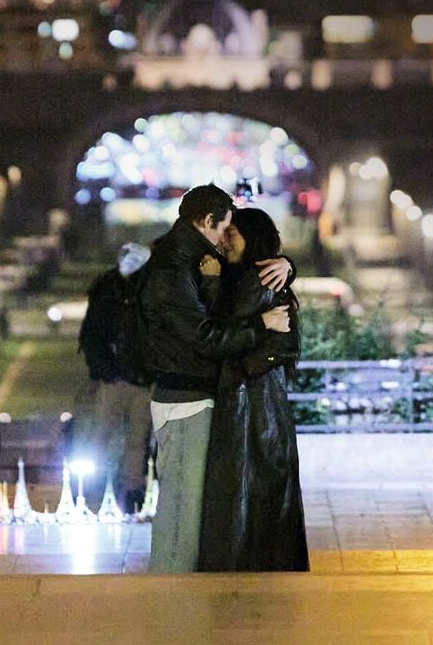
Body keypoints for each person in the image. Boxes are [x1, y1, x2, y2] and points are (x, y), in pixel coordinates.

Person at [140, 183, 292, 574]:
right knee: (181, 510)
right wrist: (262, 325)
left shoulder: (190, 259)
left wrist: (286, 262)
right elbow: (205, 336)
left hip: (193, 396)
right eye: (224, 228)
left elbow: (244, 277)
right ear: (207, 221)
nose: (225, 239)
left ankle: (178, 597)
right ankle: (169, 601)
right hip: (185, 397)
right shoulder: (176, 267)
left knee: (190, 509)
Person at [199, 207, 308, 572]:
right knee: (258, 499)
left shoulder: (257, 280)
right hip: (260, 403)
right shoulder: (248, 276)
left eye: (235, 233)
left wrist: (241, 365)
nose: (226, 239)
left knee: (245, 499)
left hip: (253, 406)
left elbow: (223, 336)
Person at [77, 241, 153, 512]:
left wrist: (104, 369)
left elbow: (92, 334)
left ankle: (102, 488)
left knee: (113, 436)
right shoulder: (145, 291)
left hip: (124, 378)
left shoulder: (108, 288)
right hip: (134, 378)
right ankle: (125, 491)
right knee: (125, 438)